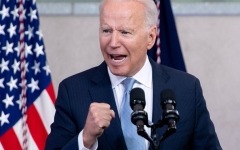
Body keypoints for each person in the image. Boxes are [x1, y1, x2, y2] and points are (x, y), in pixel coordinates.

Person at [45, 0, 222, 149]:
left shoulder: (187, 89)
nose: (113, 42)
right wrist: (86, 138)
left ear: (150, 37)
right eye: (106, 30)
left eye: (125, 32)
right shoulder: (73, 91)